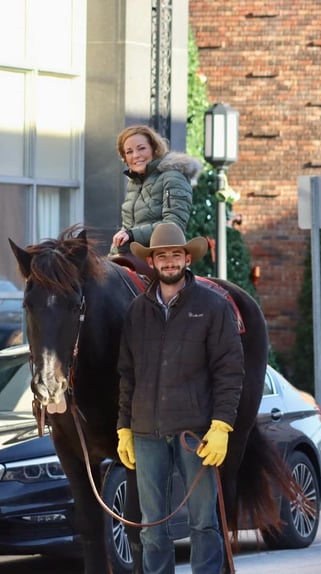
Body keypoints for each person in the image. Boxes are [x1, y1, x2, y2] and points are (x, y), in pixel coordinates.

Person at [116, 222, 244, 574]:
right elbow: (127, 376)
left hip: (196, 434)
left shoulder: (214, 307)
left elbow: (230, 371)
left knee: (204, 522)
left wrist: (222, 425)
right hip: (146, 434)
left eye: (175, 255)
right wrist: (123, 428)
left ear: (187, 258)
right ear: (152, 262)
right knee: (152, 526)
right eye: (161, 256)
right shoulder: (136, 311)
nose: (169, 262)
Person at [110, 125, 202, 258]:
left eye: (141, 148)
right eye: (129, 152)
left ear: (154, 149)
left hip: (162, 258)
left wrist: (132, 235)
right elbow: (126, 230)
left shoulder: (173, 176)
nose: (135, 155)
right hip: (131, 256)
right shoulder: (134, 183)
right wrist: (112, 258)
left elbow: (173, 225)